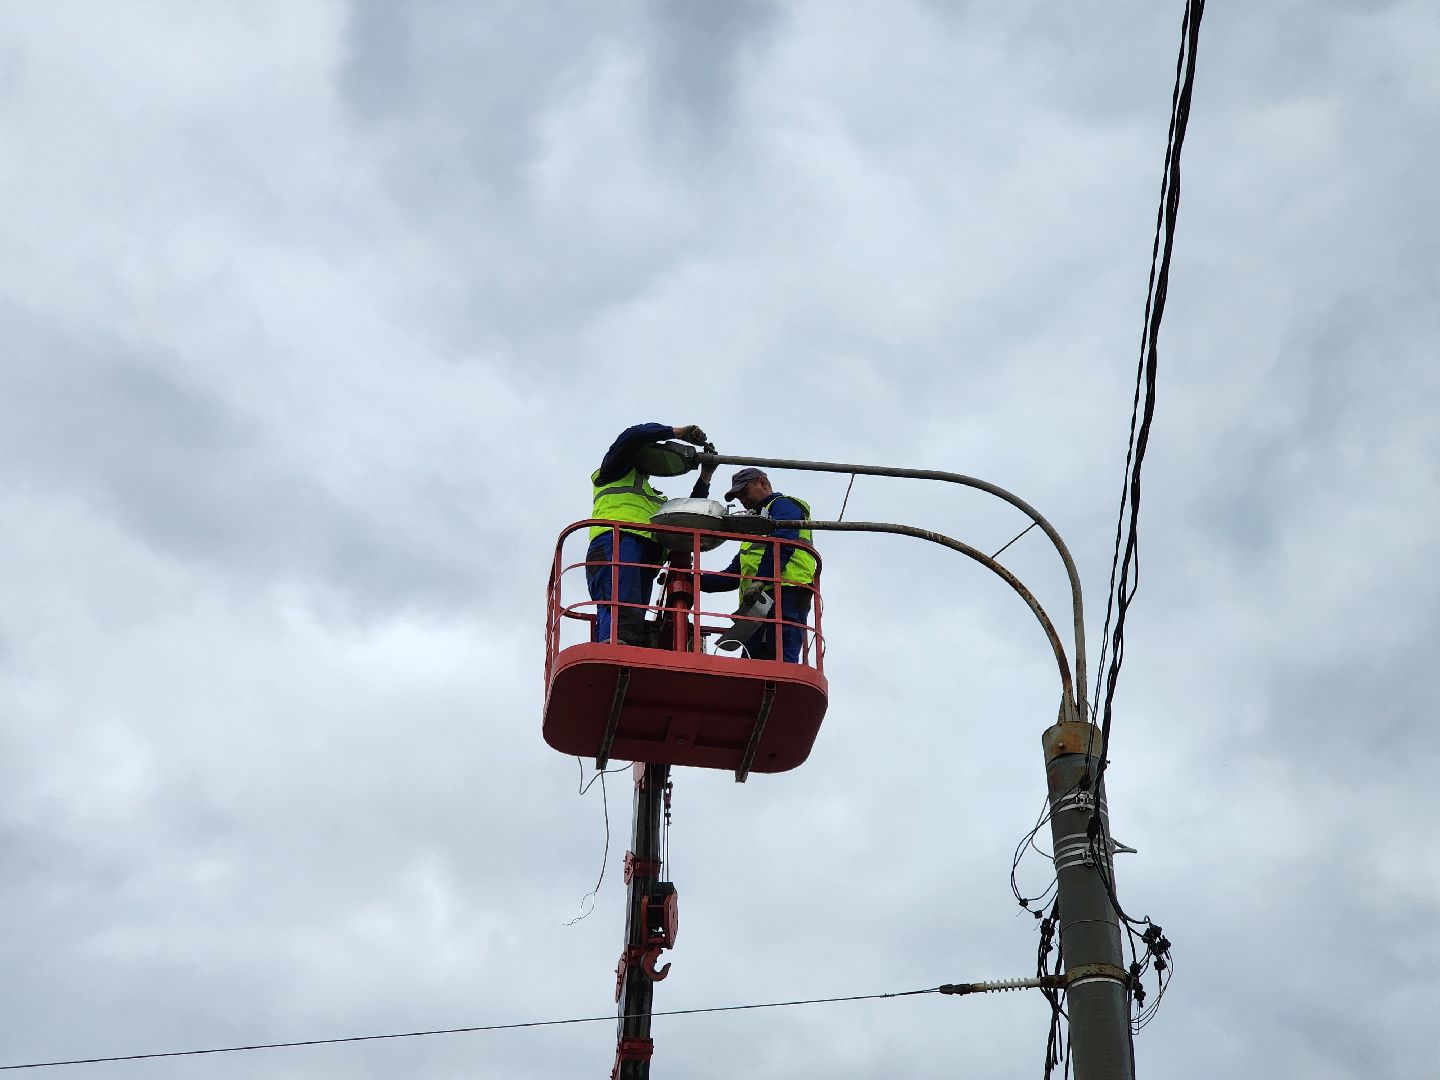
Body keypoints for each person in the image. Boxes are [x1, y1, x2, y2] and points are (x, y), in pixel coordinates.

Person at [588, 422, 715, 645]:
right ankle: (614, 646)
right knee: (619, 601)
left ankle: (623, 646)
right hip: (616, 541)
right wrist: (677, 433)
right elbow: (632, 435)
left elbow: (687, 514)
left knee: (634, 610)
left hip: (646, 552)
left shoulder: (655, 499)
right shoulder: (612, 471)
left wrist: (705, 475)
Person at [700, 468, 817, 663]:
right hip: (759, 602)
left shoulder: (782, 505)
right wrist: (692, 579)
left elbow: (784, 540)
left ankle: (780, 691)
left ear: (763, 483)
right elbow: (731, 576)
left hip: (786, 592)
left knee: (782, 659)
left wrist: (761, 580)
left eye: (744, 492)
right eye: (738, 497)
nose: (742, 500)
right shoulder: (755, 530)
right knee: (753, 663)